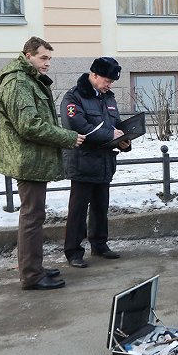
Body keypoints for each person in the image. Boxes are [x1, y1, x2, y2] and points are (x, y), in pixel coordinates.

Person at [0, 37, 86, 290]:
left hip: (33, 159)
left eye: (49, 58)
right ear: (28, 56)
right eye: (43, 58)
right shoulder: (18, 82)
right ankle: (31, 275)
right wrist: (67, 137)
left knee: (35, 215)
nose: (47, 63)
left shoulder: (28, 80)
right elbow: (28, 125)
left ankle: (34, 267)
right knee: (31, 217)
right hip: (28, 161)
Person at [60, 57, 131, 268]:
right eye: (107, 80)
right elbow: (76, 124)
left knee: (101, 207)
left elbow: (115, 123)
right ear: (94, 75)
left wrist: (124, 140)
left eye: (112, 81)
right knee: (78, 210)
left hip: (104, 161)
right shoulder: (74, 96)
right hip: (82, 162)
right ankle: (73, 251)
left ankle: (100, 245)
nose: (109, 84)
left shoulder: (108, 97)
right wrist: (110, 135)